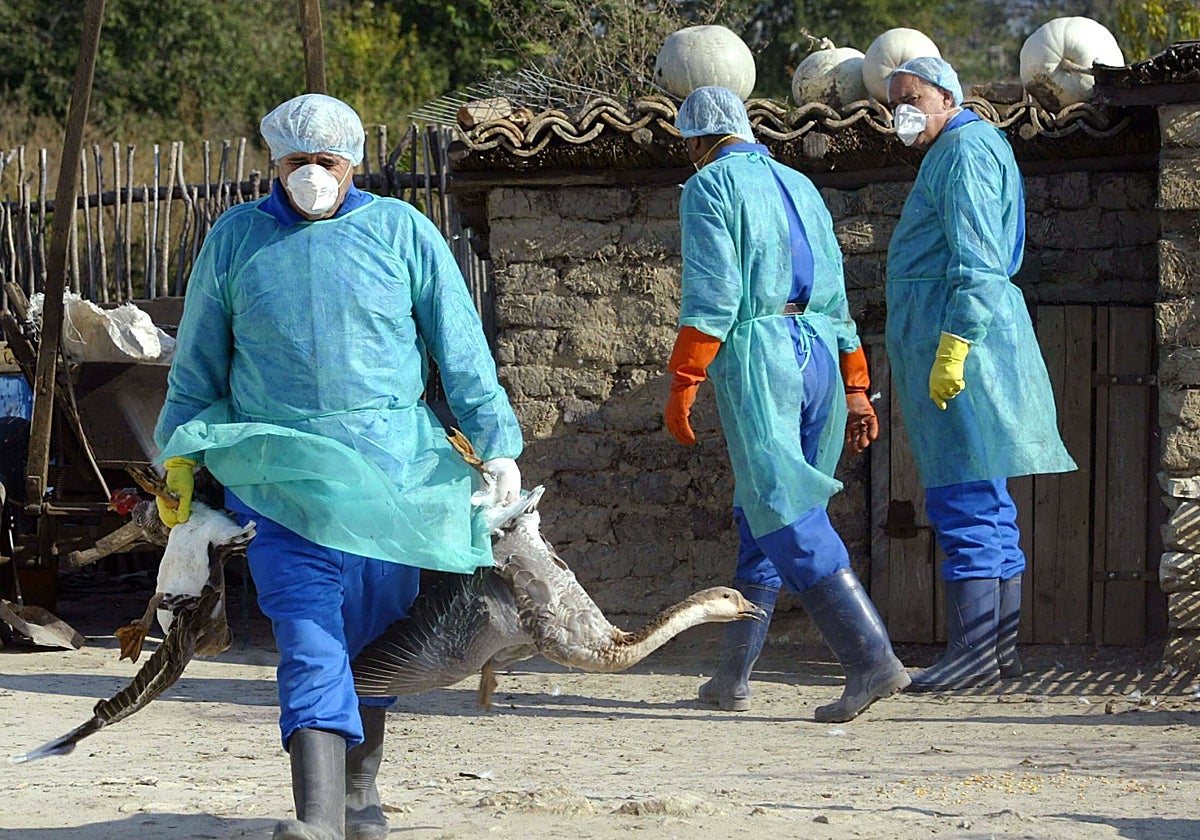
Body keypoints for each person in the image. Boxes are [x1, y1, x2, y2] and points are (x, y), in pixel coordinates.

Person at [153, 93, 524, 840]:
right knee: (310, 635)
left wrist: (497, 442)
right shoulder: (236, 241)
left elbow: (460, 348)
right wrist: (181, 455)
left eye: (328, 161)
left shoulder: (402, 233)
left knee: (368, 639)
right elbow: (196, 365)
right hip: (282, 477)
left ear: (352, 162)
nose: (313, 175)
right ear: (274, 163)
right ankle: (317, 818)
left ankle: (359, 799)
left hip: (394, 481)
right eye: (298, 162)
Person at [664, 85, 909, 723]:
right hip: (823, 352)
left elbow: (714, 295)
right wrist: (856, 386)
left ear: (696, 141)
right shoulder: (800, 185)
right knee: (760, 514)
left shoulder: (708, 187)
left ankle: (870, 660)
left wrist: (685, 379)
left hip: (763, 358)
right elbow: (836, 293)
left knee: (784, 512)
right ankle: (731, 679)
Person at [884, 57, 1076, 692]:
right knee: (987, 502)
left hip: (960, 346)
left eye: (910, 98)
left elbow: (976, 260)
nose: (899, 113)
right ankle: (997, 656)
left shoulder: (965, 151)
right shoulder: (963, 149)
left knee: (961, 496)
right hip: (965, 342)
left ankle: (971, 656)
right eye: (893, 103)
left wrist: (953, 346)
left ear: (946, 95)